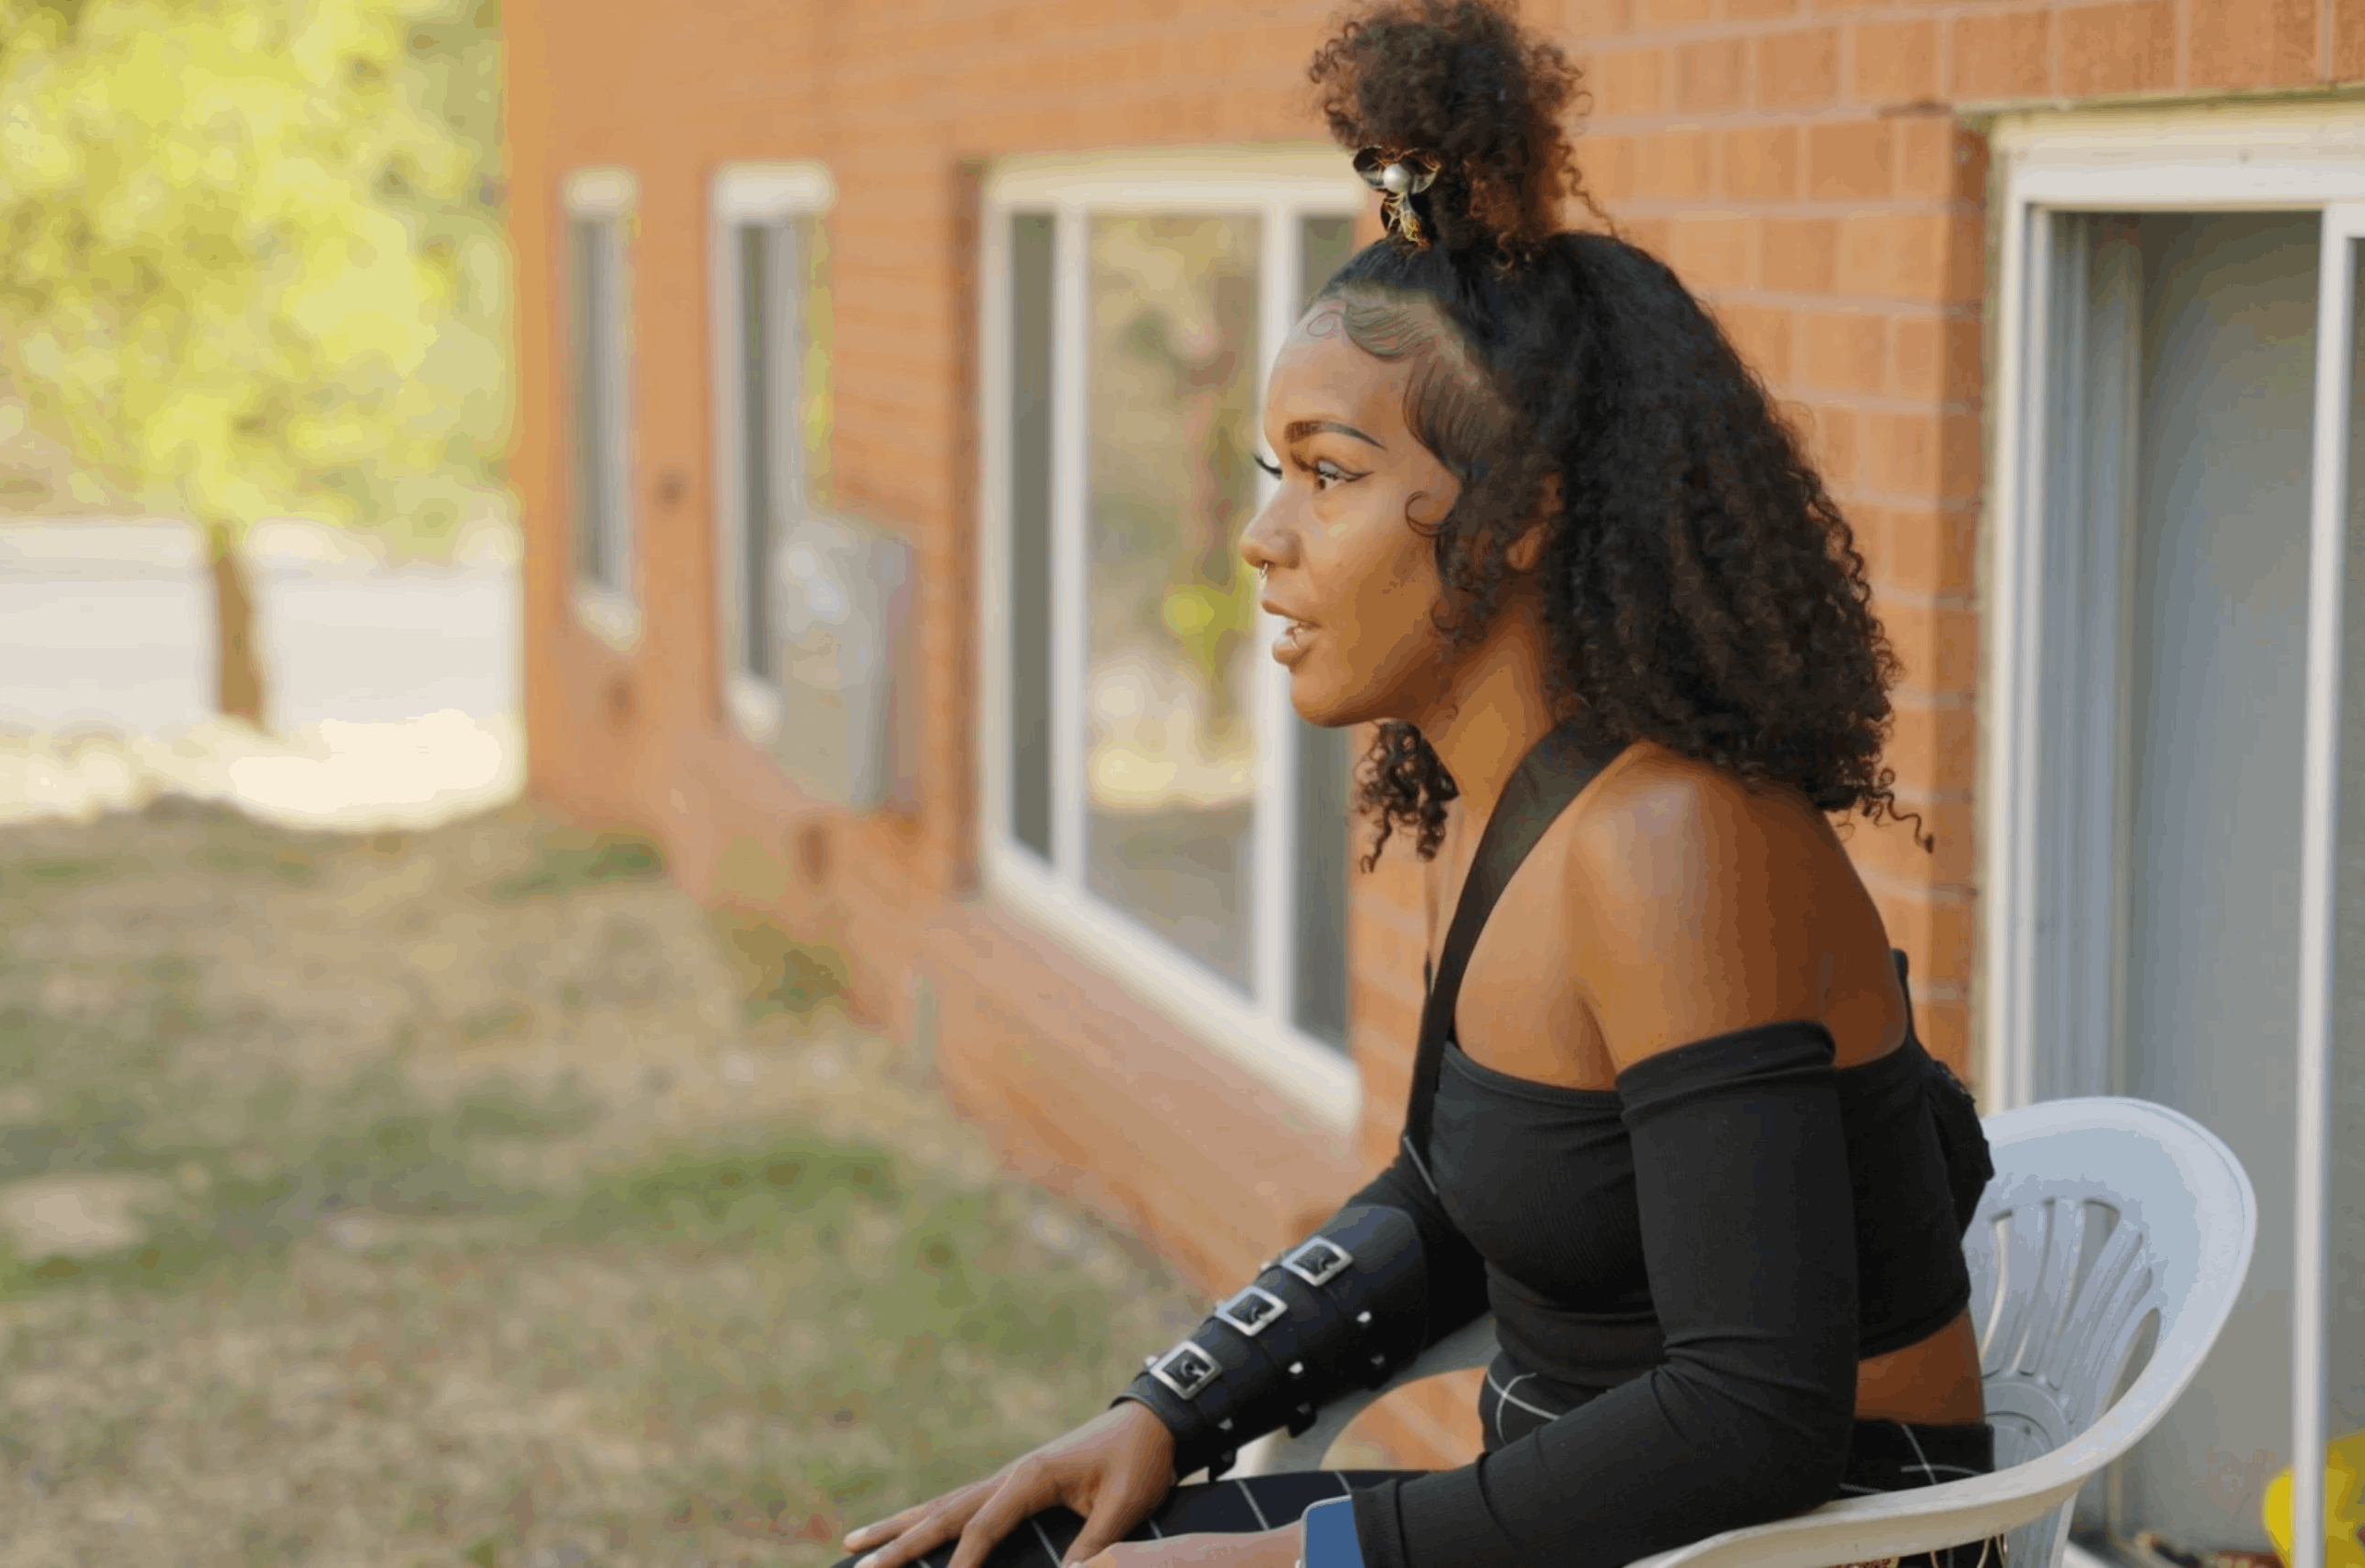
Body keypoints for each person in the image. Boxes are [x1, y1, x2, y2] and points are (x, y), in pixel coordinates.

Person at [833, 3, 2004, 1566]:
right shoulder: (1515, 807)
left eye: (1327, 473)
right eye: (1276, 475)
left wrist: (1303, 1561)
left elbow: (1754, 1414)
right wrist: (1163, 1414)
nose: (1265, 537)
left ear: (1517, 514)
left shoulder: (1676, 844)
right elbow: (1453, 1203)